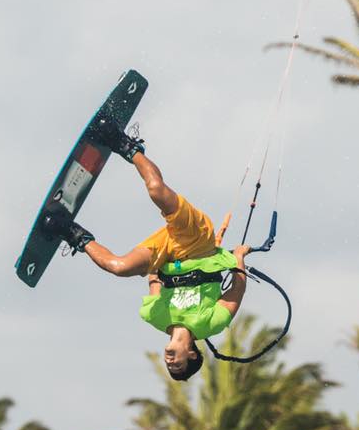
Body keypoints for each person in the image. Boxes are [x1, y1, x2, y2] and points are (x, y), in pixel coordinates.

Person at [42, 127, 250, 381]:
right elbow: (235, 293)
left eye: (169, 365)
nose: (170, 361)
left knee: (119, 266)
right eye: (177, 364)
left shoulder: (156, 317)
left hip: (168, 256)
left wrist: (145, 264)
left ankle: (72, 232)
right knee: (156, 190)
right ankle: (127, 145)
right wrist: (239, 257)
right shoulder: (210, 325)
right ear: (193, 355)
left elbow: (153, 278)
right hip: (198, 243)